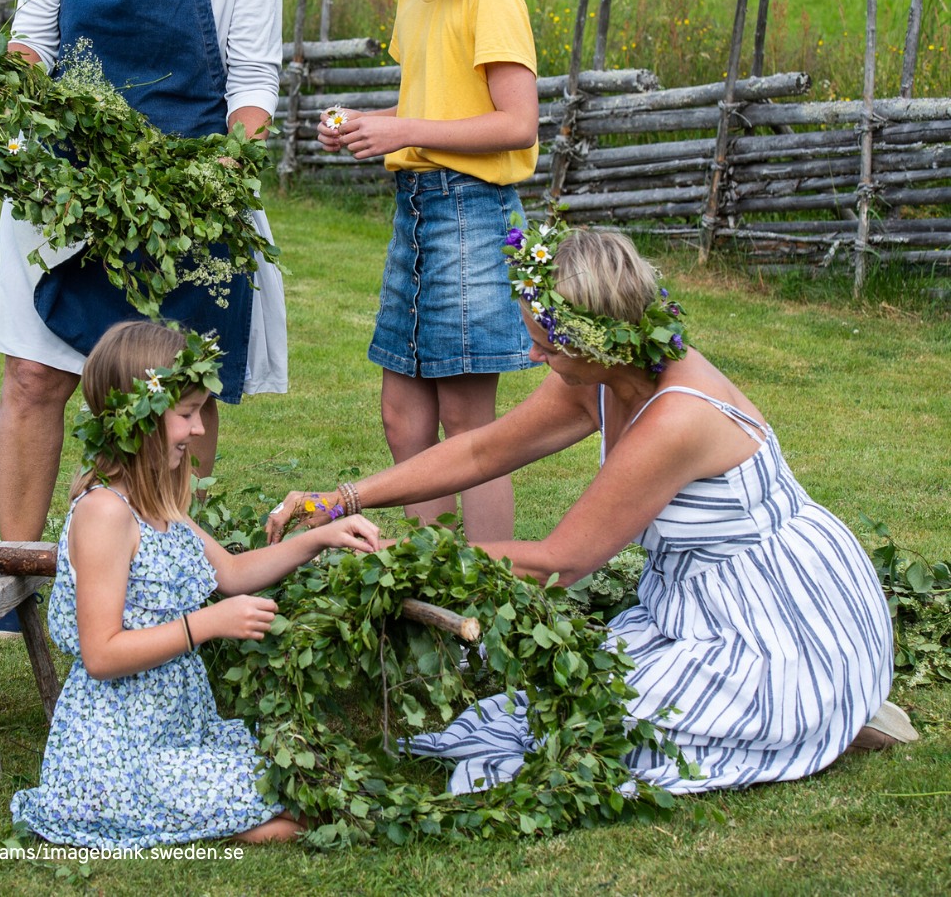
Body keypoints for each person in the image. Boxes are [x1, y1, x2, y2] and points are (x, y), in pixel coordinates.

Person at [266, 222, 912, 792]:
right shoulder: (609, 374)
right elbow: (478, 453)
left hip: (780, 615)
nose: (533, 356)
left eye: (546, 346)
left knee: (588, 733)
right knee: (546, 711)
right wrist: (342, 499)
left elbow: (559, 562)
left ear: (594, 339)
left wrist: (402, 559)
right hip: (695, 601)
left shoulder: (677, 419)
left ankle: (824, 698)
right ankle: (819, 707)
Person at [0, 0, 286, 545]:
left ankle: (157, 571)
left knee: (176, 394)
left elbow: (254, 81)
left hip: (185, 198)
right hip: (68, 185)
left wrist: (225, 171)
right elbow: (33, 38)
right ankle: (17, 574)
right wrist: (14, 123)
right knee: (35, 374)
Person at [11, 320, 380, 847]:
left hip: (177, 729)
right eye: (186, 414)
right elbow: (101, 653)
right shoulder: (104, 515)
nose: (200, 429)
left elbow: (230, 574)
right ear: (139, 419)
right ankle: (197, 823)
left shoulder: (159, 503)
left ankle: (217, 817)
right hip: (120, 750)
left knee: (310, 779)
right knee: (304, 813)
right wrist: (205, 625)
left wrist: (320, 539)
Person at [303, 0, 539, 543]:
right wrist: (369, 129)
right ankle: (426, 576)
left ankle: (487, 596)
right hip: (417, 208)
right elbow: (438, 96)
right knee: (403, 418)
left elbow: (516, 124)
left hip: (472, 212)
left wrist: (403, 131)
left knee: (472, 426)